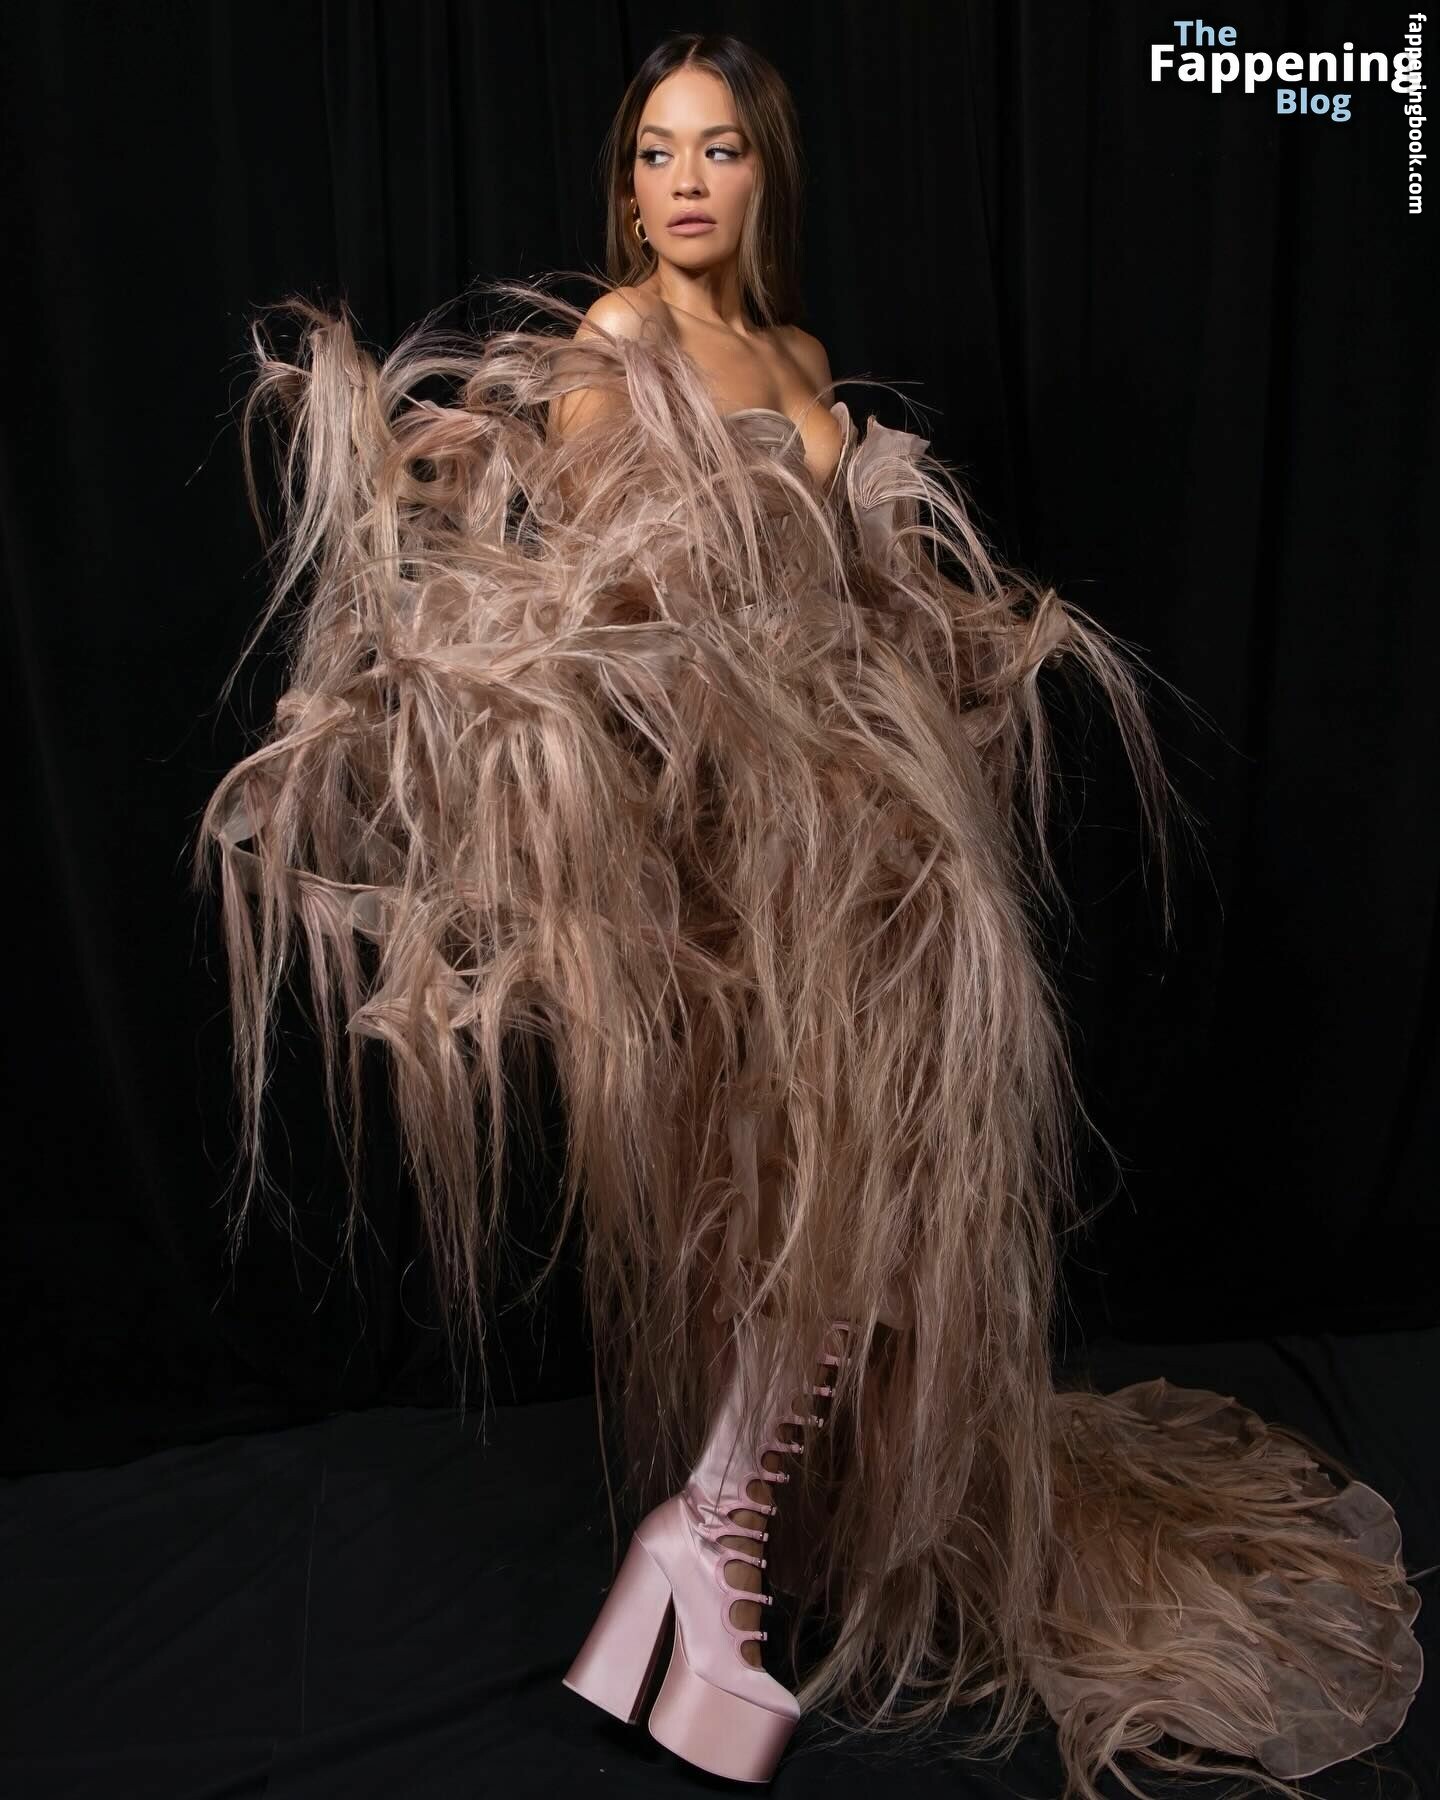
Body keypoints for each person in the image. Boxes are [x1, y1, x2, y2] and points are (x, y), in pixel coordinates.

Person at [195, 29, 1424, 1800]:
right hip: (733, 829)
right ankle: (714, 1552)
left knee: (881, 1185)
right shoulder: (614, 345)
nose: (684, 182)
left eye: (718, 150)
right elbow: (607, 595)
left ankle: (709, 1549)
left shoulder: (797, 355)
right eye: (655, 152)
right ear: (626, 185)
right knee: (792, 1190)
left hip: (871, 820)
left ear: (766, 171)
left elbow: (838, 575)